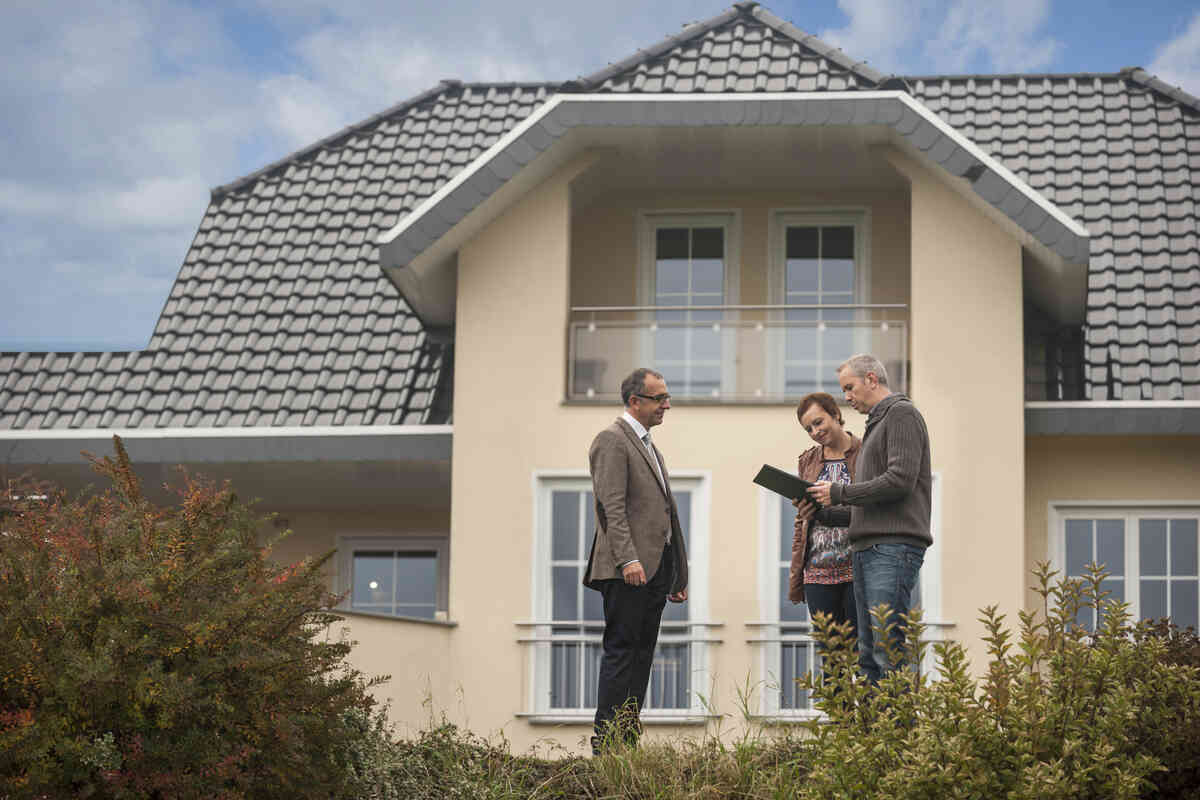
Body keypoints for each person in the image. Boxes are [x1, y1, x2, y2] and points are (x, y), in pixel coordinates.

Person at [806, 354, 932, 684]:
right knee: (869, 655)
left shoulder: (901, 414)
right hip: (868, 549)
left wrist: (840, 492)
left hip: (891, 549)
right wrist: (821, 512)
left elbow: (900, 480)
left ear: (872, 379)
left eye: (850, 388)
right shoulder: (877, 424)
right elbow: (870, 505)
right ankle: (877, 720)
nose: (846, 397)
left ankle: (898, 719)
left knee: (887, 650)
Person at [583, 367, 688, 754]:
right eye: (659, 398)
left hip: (655, 569)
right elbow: (610, 506)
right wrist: (628, 559)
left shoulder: (649, 446)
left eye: (666, 397)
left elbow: (664, 513)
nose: (667, 405)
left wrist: (677, 574)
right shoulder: (612, 440)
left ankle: (626, 741)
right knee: (622, 651)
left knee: (642, 654)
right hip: (627, 569)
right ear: (634, 401)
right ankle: (606, 744)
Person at [790, 392, 861, 649]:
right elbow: (801, 523)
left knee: (859, 651)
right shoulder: (807, 460)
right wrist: (796, 574)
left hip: (858, 567)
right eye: (808, 429)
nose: (815, 432)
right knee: (830, 656)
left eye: (818, 422)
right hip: (817, 571)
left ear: (836, 415)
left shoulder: (866, 452)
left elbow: (873, 506)